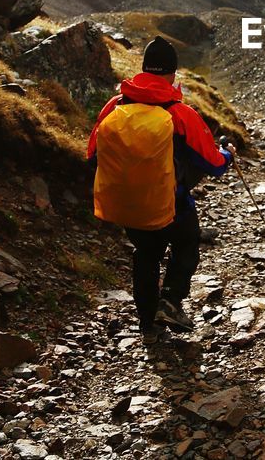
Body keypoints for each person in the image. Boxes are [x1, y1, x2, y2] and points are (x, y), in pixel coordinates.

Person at [88, 36, 234, 342]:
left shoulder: (114, 107)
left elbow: (92, 154)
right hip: (172, 205)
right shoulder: (180, 114)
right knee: (187, 242)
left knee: (146, 254)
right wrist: (228, 154)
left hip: (127, 204)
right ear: (171, 73)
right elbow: (214, 164)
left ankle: (147, 324)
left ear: (143, 70)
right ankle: (170, 300)